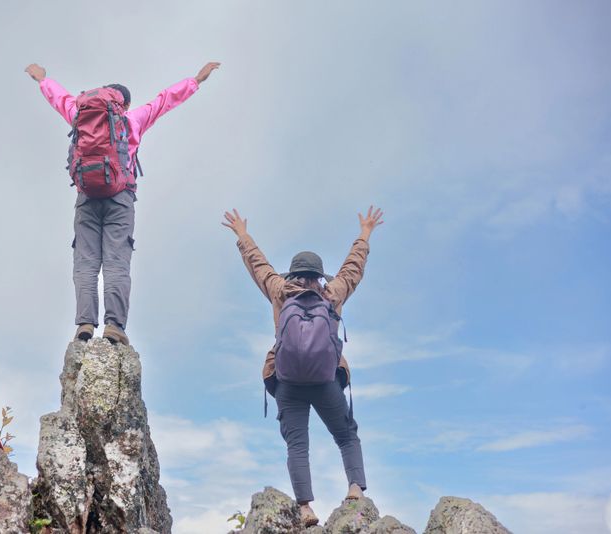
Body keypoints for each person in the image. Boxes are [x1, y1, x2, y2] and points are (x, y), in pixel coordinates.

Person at [25, 61, 220, 344]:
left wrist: (42, 79)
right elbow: (164, 101)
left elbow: (61, 99)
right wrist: (196, 81)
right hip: (121, 197)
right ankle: (114, 325)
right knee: (117, 262)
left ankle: (85, 323)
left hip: (86, 197)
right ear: (124, 104)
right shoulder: (133, 119)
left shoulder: (81, 114)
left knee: (86, 263)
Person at [222, 206, 384, 527]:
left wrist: (242, 234)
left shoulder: (280, 292)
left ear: (293, 274)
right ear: (319, 276)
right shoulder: (331, 294)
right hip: (326, 380)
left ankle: (306, 508)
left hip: (287, 380)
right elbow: (354, 268)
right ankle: (354, 489)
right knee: (346, 435)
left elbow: (258, 264)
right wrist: (365, 232)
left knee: (298, 444)